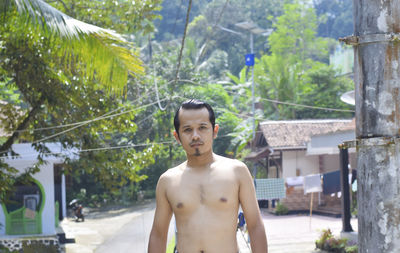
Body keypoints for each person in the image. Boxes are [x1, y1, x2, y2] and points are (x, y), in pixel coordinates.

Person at [148, 99, 268, 253]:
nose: (195, 136)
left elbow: (255, 225)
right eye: (187, 130)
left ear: (215, 131)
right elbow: (158, 235)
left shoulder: (237, 171)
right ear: (177, 136)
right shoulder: (168, 181)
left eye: (202, 128)